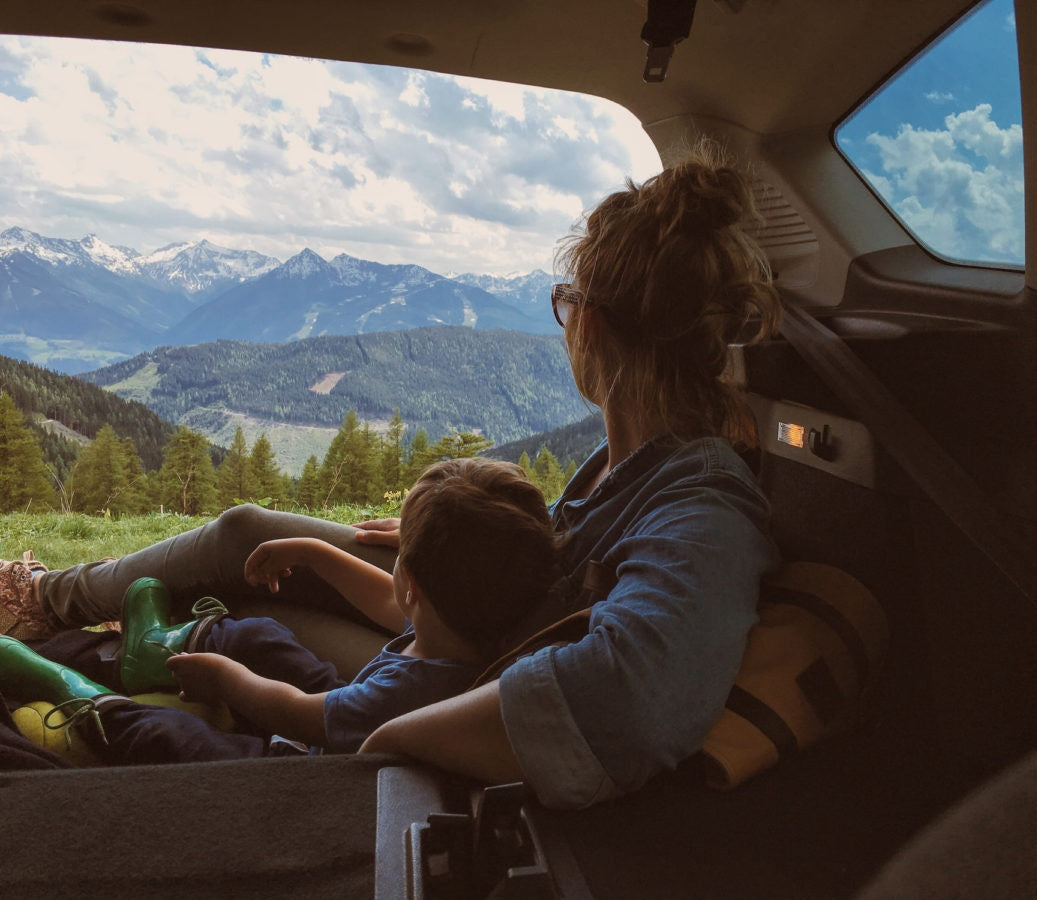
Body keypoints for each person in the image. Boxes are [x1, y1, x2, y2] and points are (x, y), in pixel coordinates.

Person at [0, 143, 782, 807]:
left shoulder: (703, 508)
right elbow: (574, 573)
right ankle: (49, 601)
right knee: (248, 536)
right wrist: (454, 535)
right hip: (458, 638)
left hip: (451, 684)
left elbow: (627, 699)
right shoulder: (638, 464)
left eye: (564, 300)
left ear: (592, 323)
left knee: (247, 610)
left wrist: (388, 739)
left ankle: (75, 640)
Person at [0, 458, 557, 764]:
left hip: (300, 757)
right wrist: (314, 552)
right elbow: (395, 605)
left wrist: (231, 682)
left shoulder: (405, 697)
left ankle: (83, 697)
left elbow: (297, 713)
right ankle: (155, 654)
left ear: (410, 580)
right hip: (347, 703)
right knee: (263, 634)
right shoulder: (464, 629)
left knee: (162, 733)